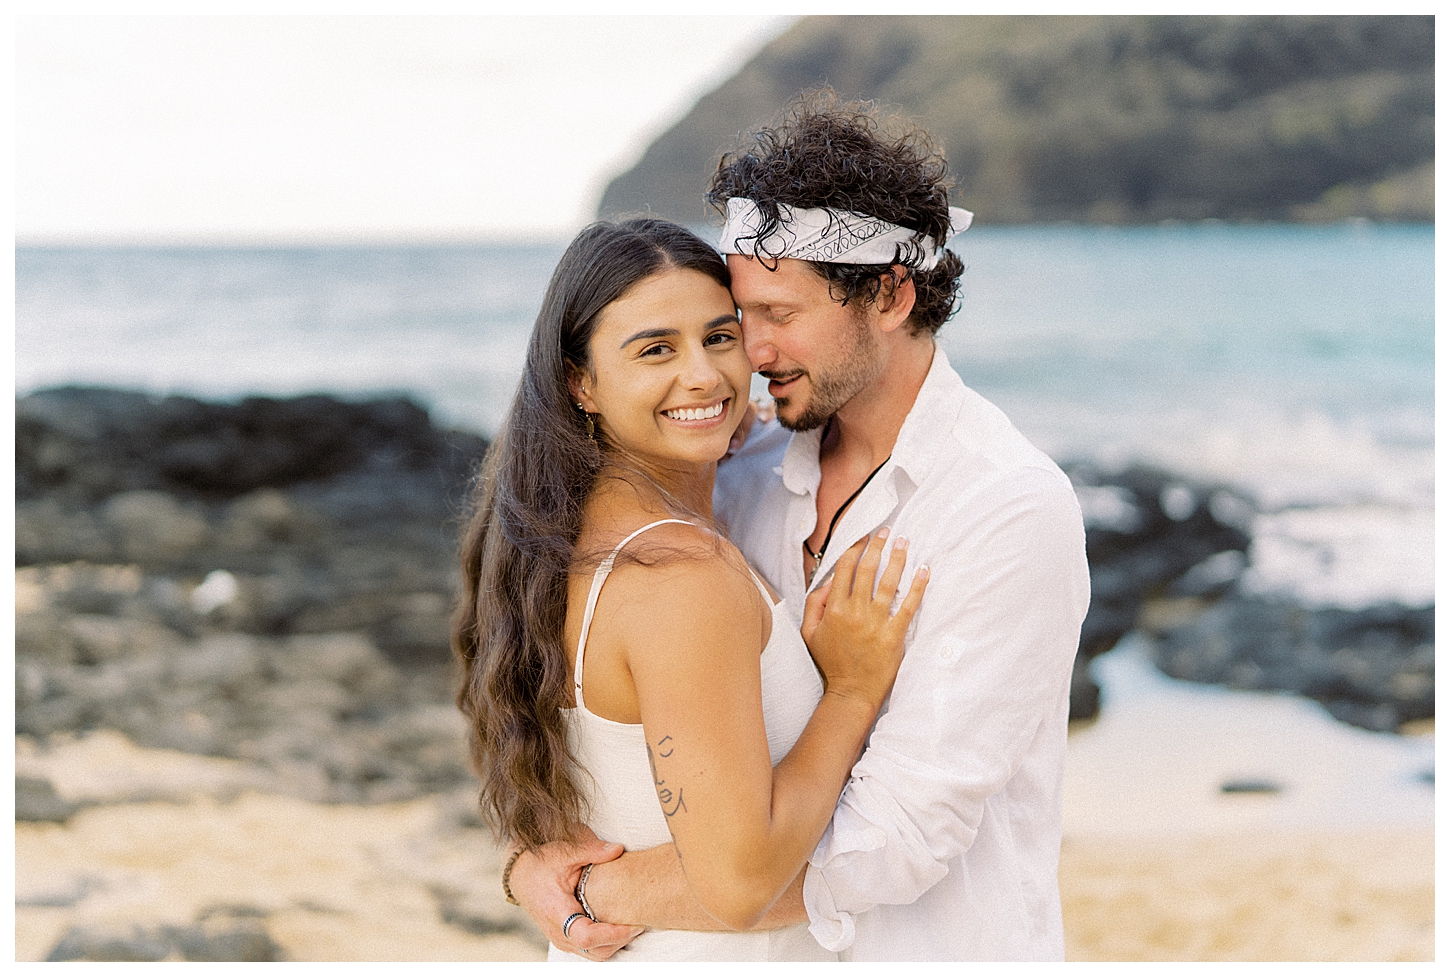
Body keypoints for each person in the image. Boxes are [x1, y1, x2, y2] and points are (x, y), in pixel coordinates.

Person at [509, 91, 1091, 961]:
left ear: (890, 296)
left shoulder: (1004, 510)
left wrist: (602, 887)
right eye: (742, 317)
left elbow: (896, 839)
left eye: (778, 316)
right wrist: (529, 863)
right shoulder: (737, 470)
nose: (752, 352)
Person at [451, 216, 929, 961]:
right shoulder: (680, 579)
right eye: (655, 351)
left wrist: (538, 872)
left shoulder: (559, 540)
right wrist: (851, 693)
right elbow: (739, 882)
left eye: (718, 336)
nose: (704, 375)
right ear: (583, 383)